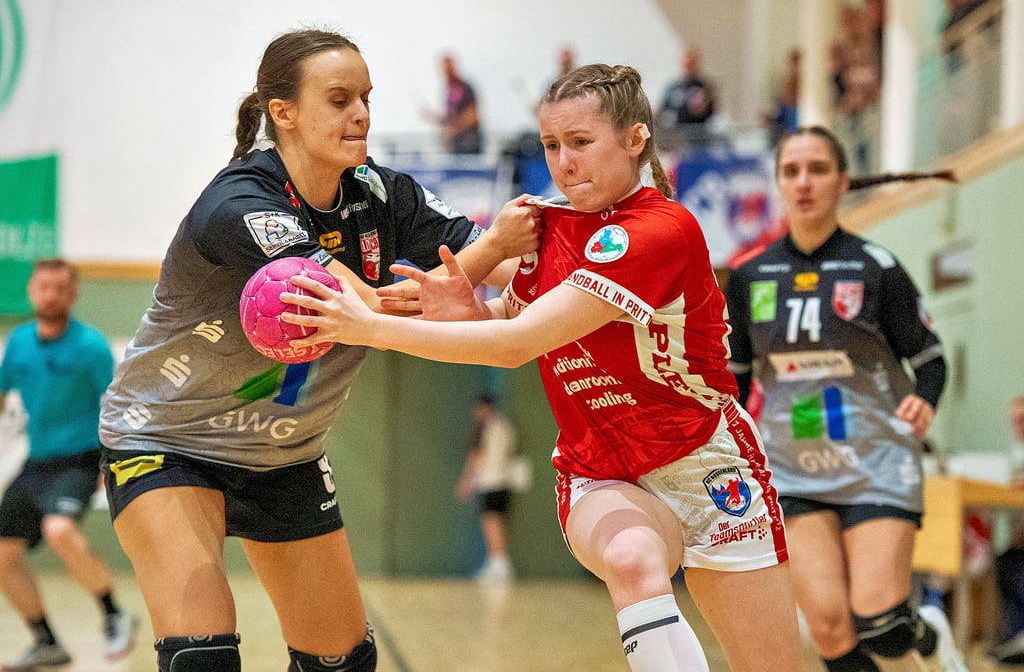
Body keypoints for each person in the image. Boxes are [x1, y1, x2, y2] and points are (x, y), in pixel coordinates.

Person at [286, 62, 803, 672]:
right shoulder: (544, 226)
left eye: (581, 143)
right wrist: (470, 310)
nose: (564, 162)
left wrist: (369, 327)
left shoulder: (661, 230)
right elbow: (509, 317)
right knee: (633, 559)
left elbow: (519, 343)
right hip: (600, 470)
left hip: (704, 460)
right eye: (552, 146)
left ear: (635, 140)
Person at [97, 28, 539, 672]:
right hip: (168, 440)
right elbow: (358, 309)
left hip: (285, 452)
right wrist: (492, 249)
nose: (360, 113)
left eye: (366, 97)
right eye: (338, 99)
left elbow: (500, 274)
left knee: (343, 662)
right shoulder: (240, 203)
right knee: (203, 658)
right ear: (284, 112)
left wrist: (559, 269)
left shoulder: (386, 195)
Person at [722, 125, 967, 672]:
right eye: (791, 171)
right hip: (793, 465)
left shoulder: (875, 267)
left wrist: (925, 399)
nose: (804, 182)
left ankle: (928, 641)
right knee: (829, 628)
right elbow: (735, 377)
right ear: (779, 183)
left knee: (879, 620)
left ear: (842, 182)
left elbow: (929, 357)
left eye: (818, 169)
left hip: (877, 459)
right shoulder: (748, 276)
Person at [0, 258, 138, 670]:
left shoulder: (91, 346)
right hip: (36, 462)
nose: (50, 295)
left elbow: (115, 405)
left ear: (73, 294)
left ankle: (114, 614)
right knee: (3, 554)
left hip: (79, 461)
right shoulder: (20, 342)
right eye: (43, 287)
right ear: (31, 291)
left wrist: (108, 462)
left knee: (58, 529)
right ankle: (46, 643)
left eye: (60, 288)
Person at [455, 391, 518, 583]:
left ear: (484, 407)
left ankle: (500, 565)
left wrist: (466, 482)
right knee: (493, 523)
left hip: (491, 483)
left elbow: (477, 458)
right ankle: (495, 564)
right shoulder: (505, 426)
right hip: (502, 482)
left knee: (492, 524)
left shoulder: (489, 428)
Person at [988, 395, 1024, 665]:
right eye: (1015, 420)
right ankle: (1017, 638)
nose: (1018, 425)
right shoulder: (1016, 453)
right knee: (1007, 560)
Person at [657, 46, 717, 148]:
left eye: (692, 63)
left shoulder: (705, 87)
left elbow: (712, 112)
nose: (689, 67)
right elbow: (662, 110)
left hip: (700, 139)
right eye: (686, 64)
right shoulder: (673, 87)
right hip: (677, 138)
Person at [434, 53, 482, 154]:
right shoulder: (449, 90)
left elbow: (474, 115)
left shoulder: (464, 87)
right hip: (455, 144)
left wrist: (455, 128)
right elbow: (450, 118)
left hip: (468, 142)